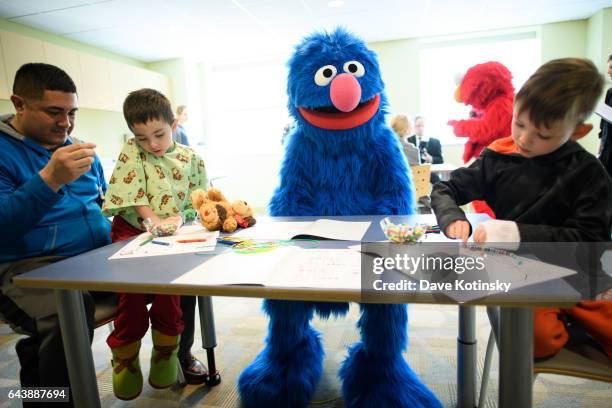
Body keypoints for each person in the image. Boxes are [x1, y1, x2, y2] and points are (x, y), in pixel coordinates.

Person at [431, 58, 612, 359]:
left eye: (543, 134)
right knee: (534, 341)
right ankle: (566, 319)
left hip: (579, 272)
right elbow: (444, 188)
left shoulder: (590, 174)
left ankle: (573, 317)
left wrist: (516, 233)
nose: (524, 140)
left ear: (578, 132)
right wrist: (452, 218)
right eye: (519, 123)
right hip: (525, 273)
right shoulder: (499, 158)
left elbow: (592, 242)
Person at [0, 63, 111, 407]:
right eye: (54, 112)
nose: (66, 123)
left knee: (172, 271)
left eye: (71, 112)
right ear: (19, 104)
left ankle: (177, 358)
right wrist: (50, 179)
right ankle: (43, 400)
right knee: (67, 313)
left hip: (92, 259)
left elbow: (102, 202)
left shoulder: (79, 150)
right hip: (26, 268)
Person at [102, 89, 208, 399]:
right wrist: (153, 224)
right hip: (132, 231)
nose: (152, 144)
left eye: (159, 134)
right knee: (131, 293)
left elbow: (198, 201)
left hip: (173, 233)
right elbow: (133, 195)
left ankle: (166, 349)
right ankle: (125, 354)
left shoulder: (192, 159)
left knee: (169, 290)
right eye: (142, 137)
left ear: (173, 124)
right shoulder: (131, 151)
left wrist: (179, 222)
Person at [408, 115, 444, 182]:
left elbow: (441, 160)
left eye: (422, 126)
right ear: (413, 127)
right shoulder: (408, 141)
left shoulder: (435, 142)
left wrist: (431, 159)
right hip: (412, 172)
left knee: (438, 181)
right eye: (418, 126)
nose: (420, 128)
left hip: (430, 172)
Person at [598, 54, 612, 178]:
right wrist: (601, 141)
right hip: (607, 146)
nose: (608, 72)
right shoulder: (610, 92)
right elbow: (604, 121)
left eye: (611, 67)